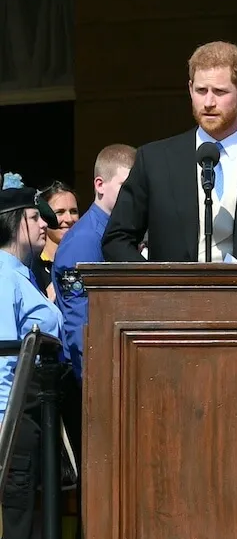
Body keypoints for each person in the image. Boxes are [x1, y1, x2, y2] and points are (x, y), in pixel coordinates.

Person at [101, 40, 237, 263]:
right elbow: (116, 239)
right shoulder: (154, 161)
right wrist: (154, 286)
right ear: (190, 88)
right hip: (170, 296)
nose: (208, 102)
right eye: (201, 90)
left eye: (220, 92)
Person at [0, 173, 63, 539]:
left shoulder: (23, 274)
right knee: (12, 523)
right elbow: (5, 357)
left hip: (26, 415)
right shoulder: (3, 276)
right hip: (11, 416)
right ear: (15, 222)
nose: (45, 224)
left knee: (23, 521)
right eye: (36, 216)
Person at [52, 145, 135, 382]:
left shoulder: (118, 232)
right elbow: (81, 324)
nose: (134, 195)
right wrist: (96, 386)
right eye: (125, 187)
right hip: (93, 377)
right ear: (100, 185)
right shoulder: (84, 241)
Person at [35, 181, 79, 297]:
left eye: (74, 211)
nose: (69, 219)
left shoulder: (84, 258)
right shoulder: (33, 266)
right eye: (60, 212)